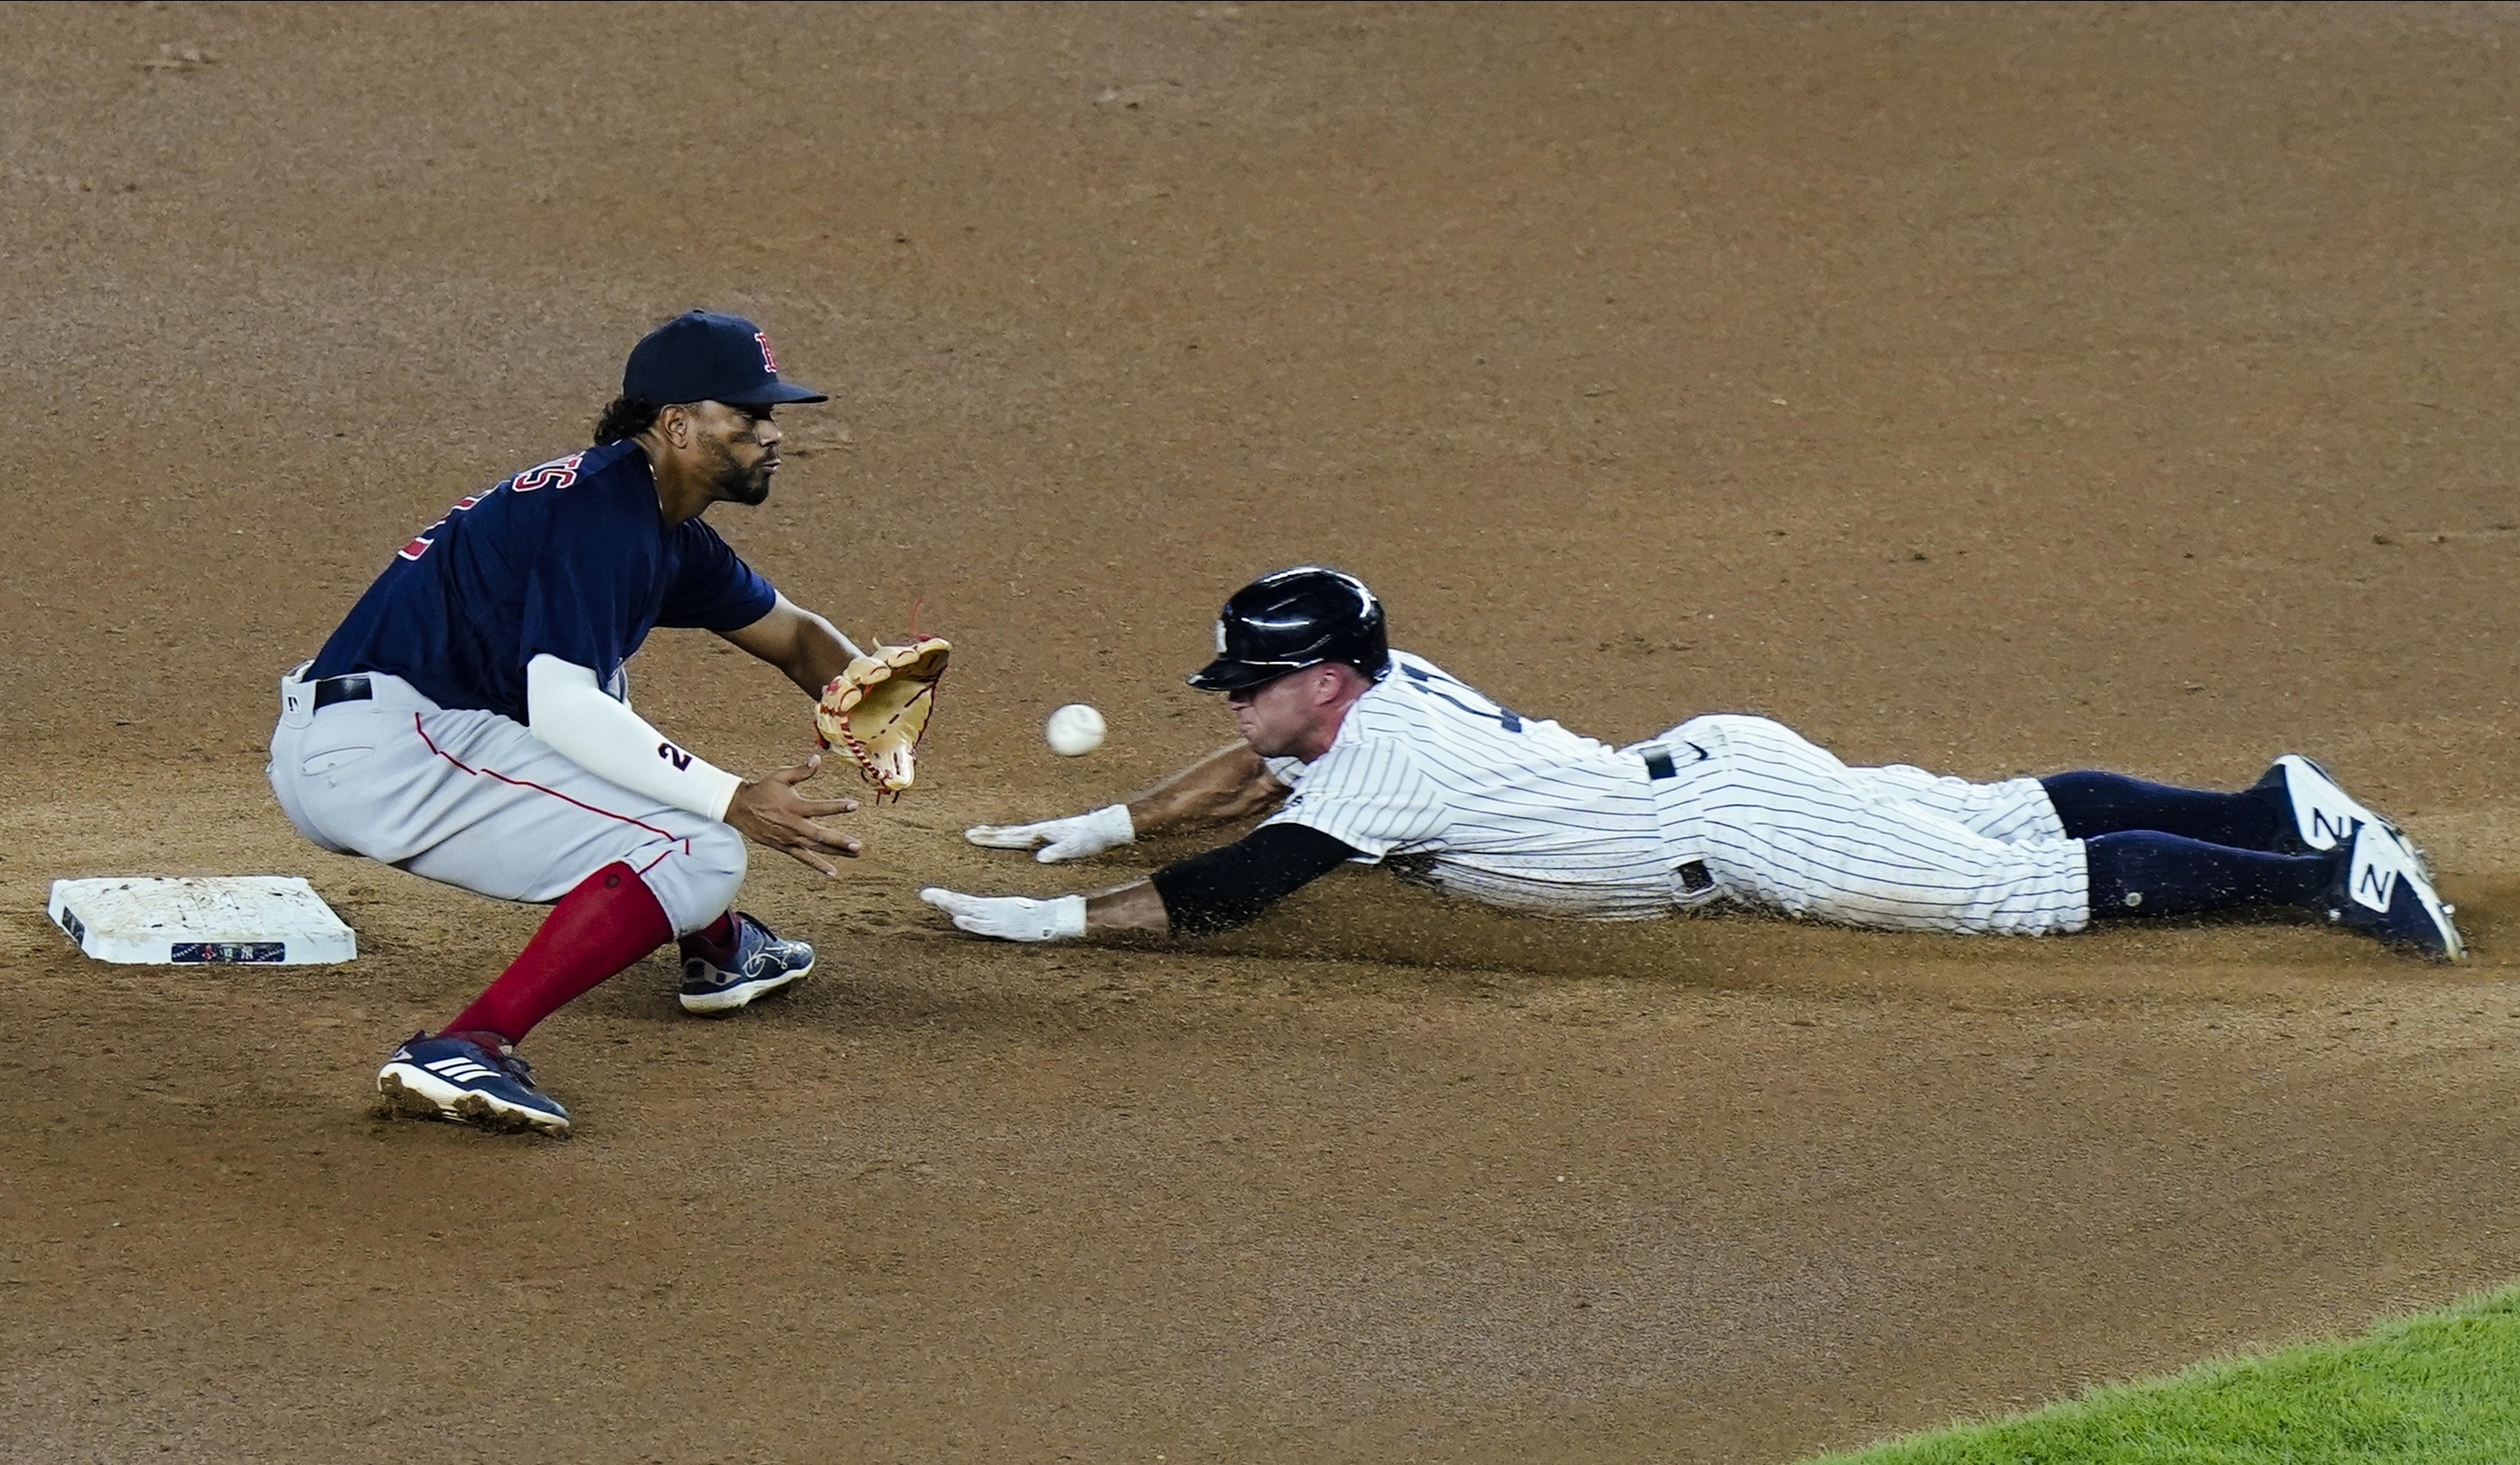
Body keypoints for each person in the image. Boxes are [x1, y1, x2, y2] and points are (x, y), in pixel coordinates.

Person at [920, 566, 2462, 961]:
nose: (1238, 703)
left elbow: (1235, 885)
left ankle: (2319, 874)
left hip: (1741, 827)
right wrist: (1095, 820)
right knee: (1990, 811)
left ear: (1326, 678)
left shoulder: (1368, 761)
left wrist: (1050, 919)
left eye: (1254, 682)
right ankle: (2271, 798)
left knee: (2019, 887)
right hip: (1724, 766)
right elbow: (1244, 778)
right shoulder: (1365, 701)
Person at [271, 311, 891, 1134]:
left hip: (395, 739)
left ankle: (718, 944)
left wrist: (872, 699)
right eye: (748, 415)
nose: (771, 434)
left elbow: (796, 636)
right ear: (675, 424)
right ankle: (466, 1045)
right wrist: (733, 798)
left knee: (616, 715)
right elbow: (561, 708)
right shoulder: (602, 513)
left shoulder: (653, 523)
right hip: (387, 753)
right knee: (695, 839)